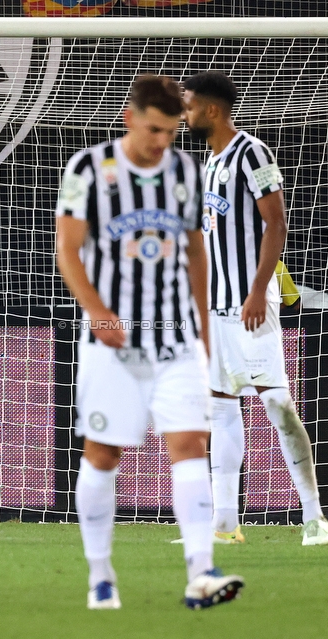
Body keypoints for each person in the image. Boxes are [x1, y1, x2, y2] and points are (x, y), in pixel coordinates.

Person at [55, 74, 244, 610]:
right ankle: (100, 575)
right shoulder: (88, 170)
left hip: (176, 337)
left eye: (173, 131)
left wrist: (205, 338)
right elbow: (67, 250)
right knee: (103, 456)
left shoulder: (185, 170)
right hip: (114, 345)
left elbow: (195, 254)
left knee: (190, 448)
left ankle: (202, 572)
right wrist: (97, 313)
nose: (163, 141)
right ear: (129, 118)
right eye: (156, 129)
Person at [182, 70, 328, 546]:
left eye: (188, 106)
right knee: (222, 408)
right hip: (215, 308)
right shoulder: (207, 165)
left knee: (275, 402)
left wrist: (257, 289)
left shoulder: (253, 153)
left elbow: (276, 225)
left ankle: (314, 517)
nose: (183, 115)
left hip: (252, 303)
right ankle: (225, 523)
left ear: (211, 110)